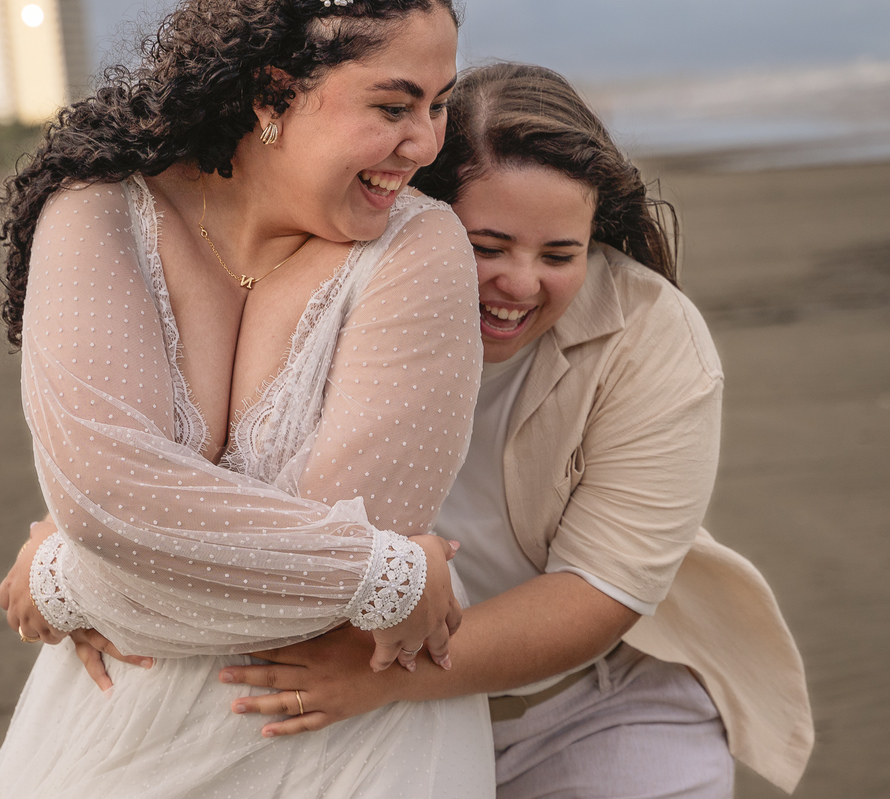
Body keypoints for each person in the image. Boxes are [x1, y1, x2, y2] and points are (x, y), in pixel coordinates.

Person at [219, 63, 814, 797]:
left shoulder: (651, 335)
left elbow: (596, 592)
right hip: (363, 716)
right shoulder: (323, 289)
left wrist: (379, 677)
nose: (522, 284)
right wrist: (71, 538)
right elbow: (198, 441)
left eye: (559, 254)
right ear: (413, 212)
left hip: (587, 708)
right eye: (487, 247)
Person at [0, 0, 496, 796]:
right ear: (271, 95)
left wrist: (68, 573)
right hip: (115, 739)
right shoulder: (96, 215)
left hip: (350, 747)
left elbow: (305, 594)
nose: (427, 141)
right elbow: (108, 496)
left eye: (439, 104)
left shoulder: (421, 247)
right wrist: (393, 571)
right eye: (394, 106)